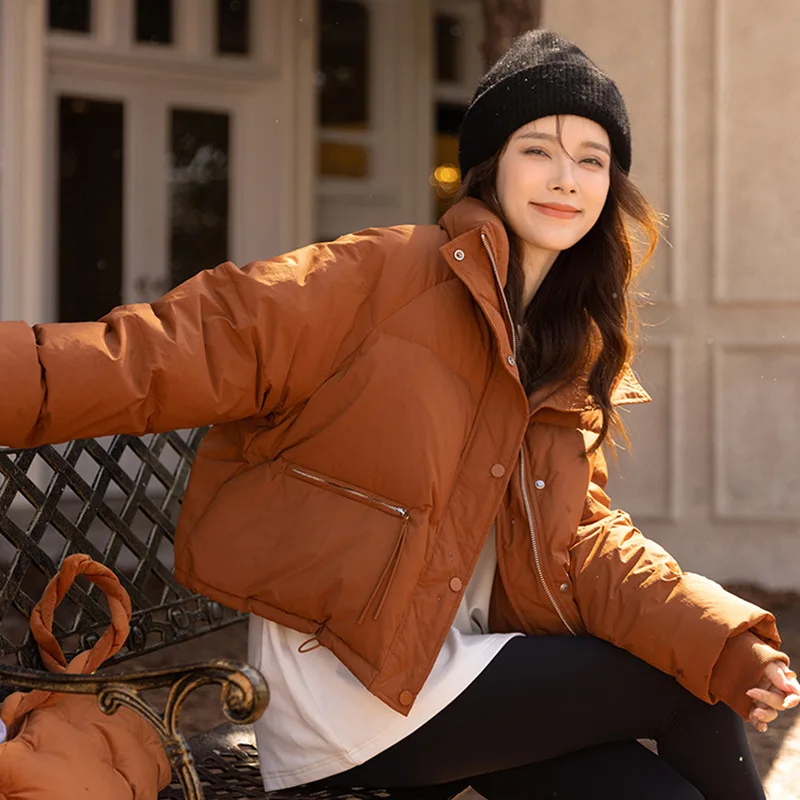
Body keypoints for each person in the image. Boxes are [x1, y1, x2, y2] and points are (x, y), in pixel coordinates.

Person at [1, 29, 798, 800]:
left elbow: (583, 544)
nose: (566, 178)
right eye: (539, 150)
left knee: (670, 760)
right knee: (684, 687)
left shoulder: (561, 339)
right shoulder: (380, 275)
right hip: (352, 685)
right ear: (489, 168)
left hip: (458, 666)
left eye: (591, 160)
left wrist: (725, 639)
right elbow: (171, 349)